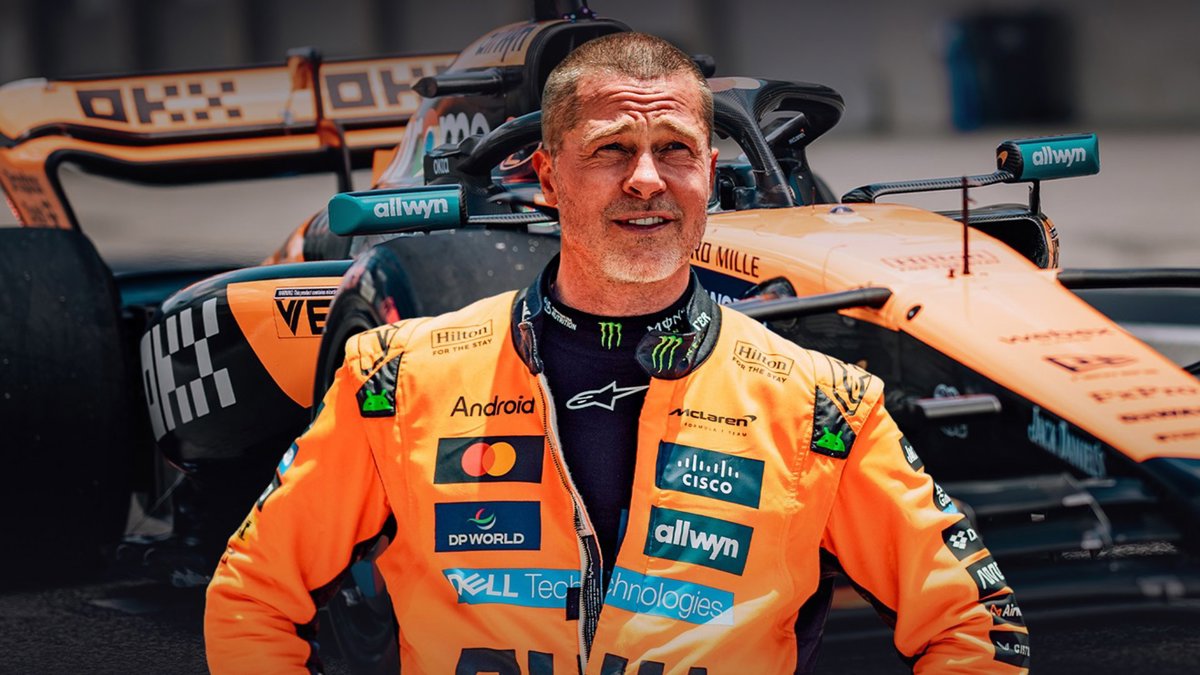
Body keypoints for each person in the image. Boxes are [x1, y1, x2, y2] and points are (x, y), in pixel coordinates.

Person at [205, 31, 1030, 674]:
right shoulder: (397, 376)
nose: (646, 179)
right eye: (609, 150)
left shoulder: (824, 403)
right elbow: (251, 592)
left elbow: (977, 622)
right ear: (546, 176)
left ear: (710, 171)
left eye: (674, 149)